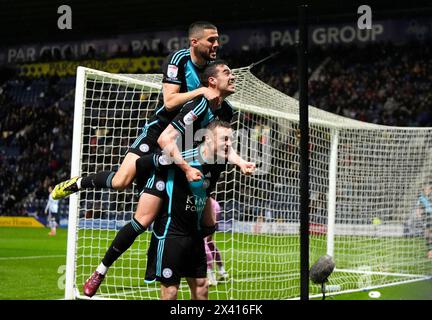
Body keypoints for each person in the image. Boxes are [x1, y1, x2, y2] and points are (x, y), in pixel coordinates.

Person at [82, 60, 255, 297]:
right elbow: (165, 139)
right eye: (227, 72)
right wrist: (184, 167)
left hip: (191, 168)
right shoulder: (198, 103)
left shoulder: (227, 111)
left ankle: (193, 268)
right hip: (166, 164)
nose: (233, 77)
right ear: (212, 81)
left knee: (203, 229)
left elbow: (223, 142)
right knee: (140, 218)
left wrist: (240, 161)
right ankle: (101, 270)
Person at [144, 120, 234, 300]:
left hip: (195, 234)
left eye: (231, 139)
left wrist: (209, 223)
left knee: (202, 287)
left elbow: (207, 193)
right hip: (171, 233)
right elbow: (147, 163)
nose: (229, 144)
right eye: (225, 139)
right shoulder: (184, 157)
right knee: (170, 291)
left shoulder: (218, 164)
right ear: (208, 139)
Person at [205, 197, 228, 286]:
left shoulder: (207, 201)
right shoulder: (214, 203)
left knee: (204, 244)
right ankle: (222, 271)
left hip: (210, 216)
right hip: (214, 210)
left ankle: (211, 276)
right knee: (210, 243)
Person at [415, 179, 432, 258]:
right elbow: (418, 207)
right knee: (427, 235)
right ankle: (430, 252)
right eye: (423, 188)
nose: (424, 190)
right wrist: (418, 214)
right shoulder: (421, 197)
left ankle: (430, 253)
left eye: (426, 188)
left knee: (429, 234)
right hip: (427, 217)